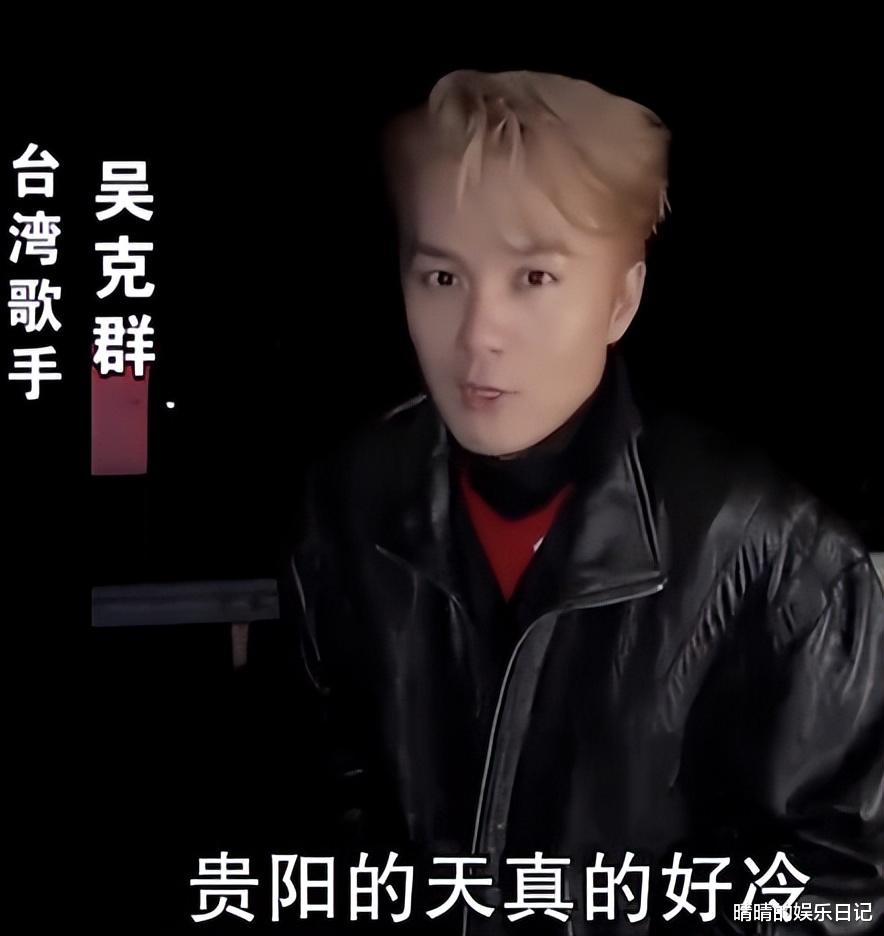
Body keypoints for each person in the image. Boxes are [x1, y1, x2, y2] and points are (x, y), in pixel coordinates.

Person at [280, 69, 883, 934]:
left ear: (621, 298)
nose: (478, 334)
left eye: (533, 278)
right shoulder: (348, 511)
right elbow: (317, 810)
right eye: (442, 278)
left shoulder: (783, 561)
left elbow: (843, 890)